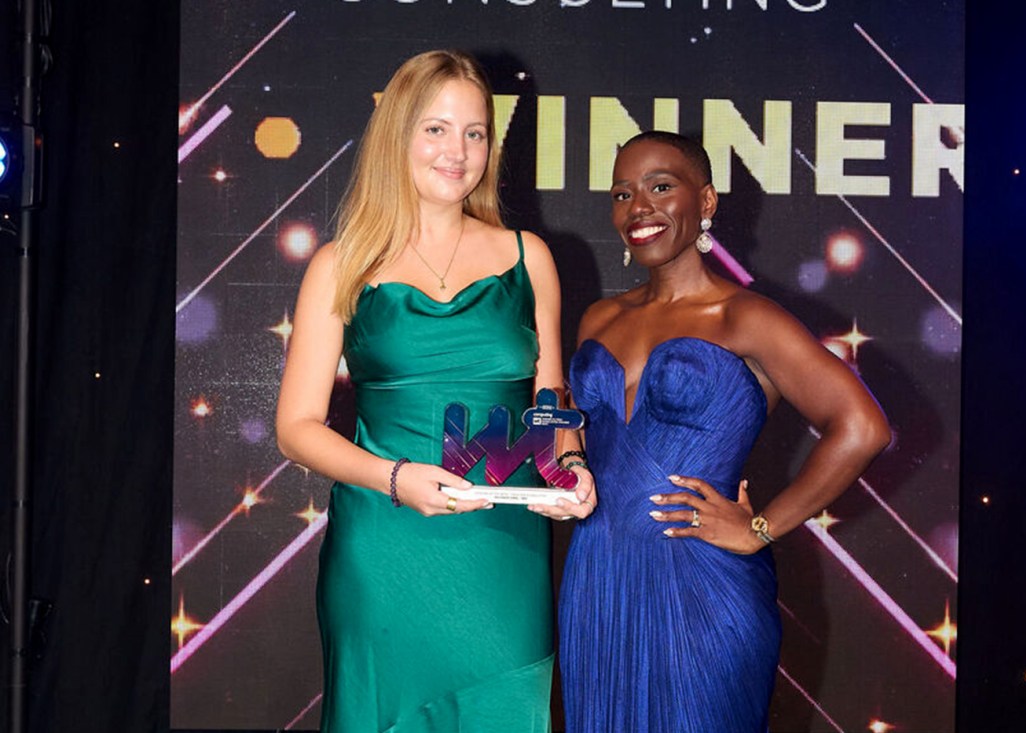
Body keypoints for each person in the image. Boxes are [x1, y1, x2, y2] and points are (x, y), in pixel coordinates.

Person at [275, 50, 593, 733]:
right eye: (437, 129)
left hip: (503, 546)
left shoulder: (527, 256)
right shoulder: (342, 264)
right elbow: (296, 426)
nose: (458, 151)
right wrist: (394, 478)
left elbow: (552, 396)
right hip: (385, 542)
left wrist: (570, 465)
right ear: (398, 135)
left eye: (475, 133)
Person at [557, 131, 891, 732]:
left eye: (662, 187)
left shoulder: (744, 316)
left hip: (704, 587)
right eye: (623, 193)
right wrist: (563, 468)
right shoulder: (599, 318)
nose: (639, 208)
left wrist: (760, 528)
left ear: (705, 202)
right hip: (598, 580)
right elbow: (577, 435)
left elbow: (861, 426)